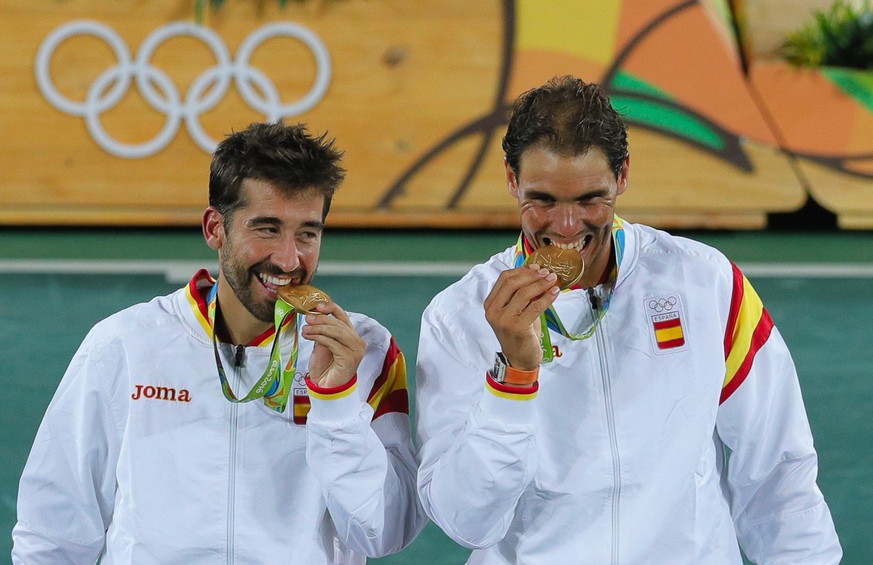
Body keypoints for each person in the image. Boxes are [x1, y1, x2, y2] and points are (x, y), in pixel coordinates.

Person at [414, 76, 841, 564]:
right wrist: (513, 378)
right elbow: (466, 521)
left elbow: (779, 475)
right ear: (511, 179)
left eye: (590, 198)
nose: (568, 225)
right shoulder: (458, 317)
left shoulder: (706, 285)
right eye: (544, 200)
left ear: (622, 176)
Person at [13, 121, 426, 564]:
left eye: (307, 233)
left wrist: (338, 405)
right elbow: (52, 534)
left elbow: (386, 533)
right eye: (267, 229)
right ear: (215, 228)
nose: (289, 259)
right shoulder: (123, 346)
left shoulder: (365, 351)